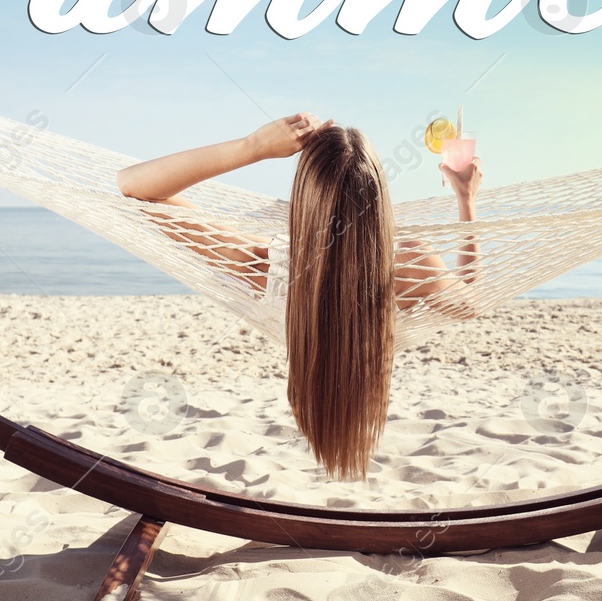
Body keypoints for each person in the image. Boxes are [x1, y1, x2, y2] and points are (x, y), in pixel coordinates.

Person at [116, 113, 482, 479]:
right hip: (368, 414)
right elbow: (470, 302)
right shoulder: (412, 263)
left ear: (305, 196)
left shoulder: (263, 265)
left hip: (311, 407)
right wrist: (466, 200)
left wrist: (253, 147)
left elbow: (134, 184)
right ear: (379, 195)